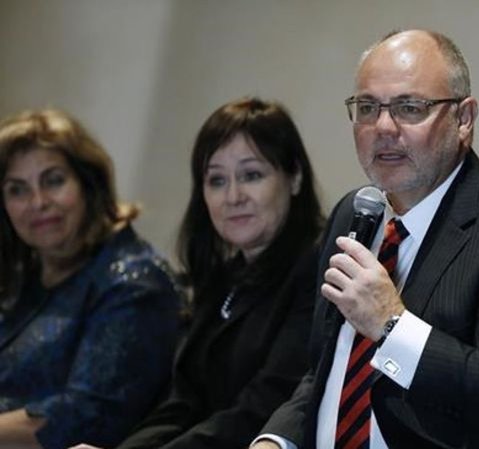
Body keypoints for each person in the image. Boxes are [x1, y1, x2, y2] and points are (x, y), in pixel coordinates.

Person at [253, 29, 479, 449]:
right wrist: (277, 439)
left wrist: (392, 325)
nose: (383, 127)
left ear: (464, 119)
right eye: (367, 107)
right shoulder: (354, 213)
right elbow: (331, 367)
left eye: (410, 107)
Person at [72, 98, 324, 449]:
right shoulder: (224, 276)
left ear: (294, 177)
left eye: (252, 175)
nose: (233, 196)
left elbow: (263, 406)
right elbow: (182, 405)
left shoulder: (319, 267)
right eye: (217, 180)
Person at [0, 108, 183, 448]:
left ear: (87, 183)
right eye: (17, 189)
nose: (38, 202)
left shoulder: (135, 282)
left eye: (54, 181)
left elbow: (88, 415)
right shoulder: (22, 274)